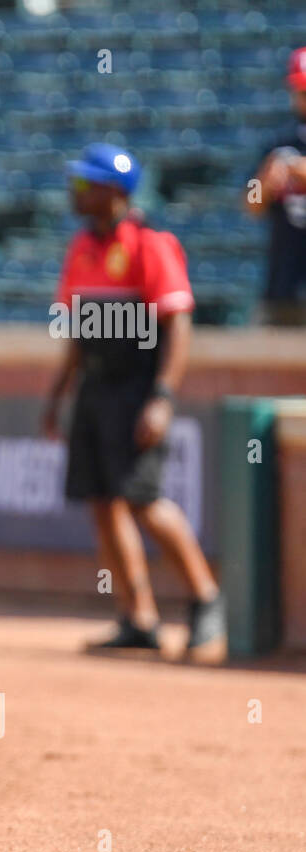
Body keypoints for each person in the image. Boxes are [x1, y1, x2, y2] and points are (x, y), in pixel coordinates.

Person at [41, 143, 226, 663]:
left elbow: (178, 322)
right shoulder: (81, 246)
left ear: (114, 191)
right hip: (94, 389)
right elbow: (77, 332)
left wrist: (162, 397)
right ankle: (138, 617)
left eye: (86, 183)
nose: (75, 192)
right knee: (102, 502)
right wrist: (58, 396)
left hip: (136, 389)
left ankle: (206, 600)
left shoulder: (150, 244)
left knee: (144, 500)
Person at [246, 47, 306, 326]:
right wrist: (264, 182)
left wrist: (299, 169)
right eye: (302, 92)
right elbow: (252, 204)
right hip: (284, 281)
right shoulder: (280, 143)